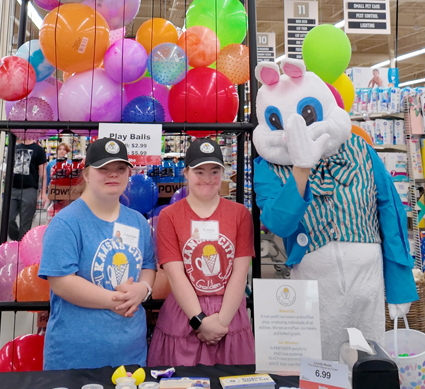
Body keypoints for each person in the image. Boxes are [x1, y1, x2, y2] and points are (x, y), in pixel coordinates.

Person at [252, 58, 417, 361]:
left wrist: (399, 284)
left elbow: (390, 214)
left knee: (370, 368)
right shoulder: (268, 168)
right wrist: (301, 169)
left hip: (368, 279)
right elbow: (278, 223)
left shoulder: (360, 149)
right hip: (313, 282)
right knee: (322, 371)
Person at [39, 138, 156, 370]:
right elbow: (61, 282)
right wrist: (117, 301)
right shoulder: (66, 222)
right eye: (103, 168)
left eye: (120, 169)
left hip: (131, 357)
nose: (113, 174)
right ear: (87, 174)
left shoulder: (137, 222)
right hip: (75, 361)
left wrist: (143, 289)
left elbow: (148, 265)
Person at [147, 138, 255, 367]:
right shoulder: (169, 216)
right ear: (186, 173)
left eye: (214, 171)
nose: (207, 179)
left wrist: (221, 323)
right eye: (199, 171)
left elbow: (240, 272)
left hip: (229, 313)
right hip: (184, 315)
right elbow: (175, 275)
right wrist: (200, 321)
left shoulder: (240, 215)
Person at [8, 138, 48, 241]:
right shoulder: (15, 148)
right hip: (13, 188)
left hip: (29, 189)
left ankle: (21, 246)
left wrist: (43, 192)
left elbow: (43, 173)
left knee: (25, 222)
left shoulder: (39, 150)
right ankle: (17, 240)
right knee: (8, 218)